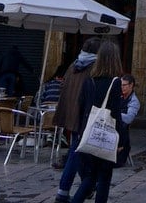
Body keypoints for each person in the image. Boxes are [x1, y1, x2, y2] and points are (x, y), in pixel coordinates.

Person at [71, 40, 124, 203]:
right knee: (104, 179)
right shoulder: (115, 83)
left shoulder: (89, 81)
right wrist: (120, 140)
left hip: (89, 133)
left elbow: (81, 108)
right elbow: (116, 114)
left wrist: (80, 133)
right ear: (115, 59)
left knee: (90, 177)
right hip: (106, 135)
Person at [54, 36, 101, 203]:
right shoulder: (93, 68)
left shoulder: (74, 65)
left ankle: (87, 187)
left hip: (70, 114)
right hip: (83, 117)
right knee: (75, 153)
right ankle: (63, 192)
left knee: (80, 151)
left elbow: (63, 86)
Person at [115, 74, 140, 168]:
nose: (122, 87)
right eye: (121, 85)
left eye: (124, 85)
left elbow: (129, 118)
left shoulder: (134, 101)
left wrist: (115, 114)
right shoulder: (119, 97)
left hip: (122, 134)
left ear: (131, 85)